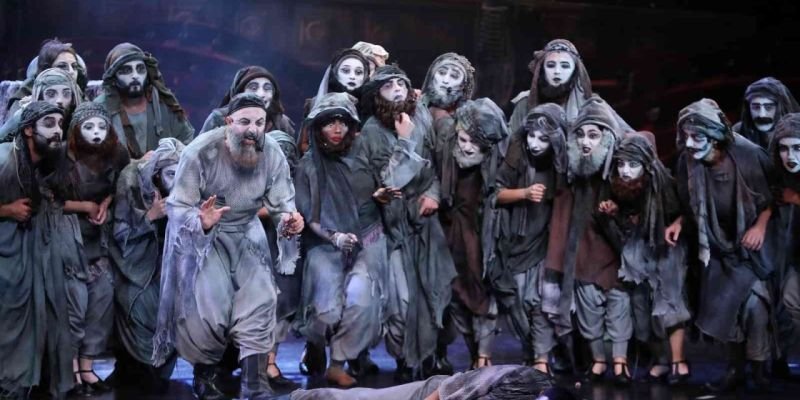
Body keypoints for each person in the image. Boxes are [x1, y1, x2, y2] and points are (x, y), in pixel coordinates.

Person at [153, 94, 303, 400]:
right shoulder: (200, 151)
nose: (252, 130)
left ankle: (255, 384)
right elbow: (178, 206)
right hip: (205, 238)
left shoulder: (271, 152)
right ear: (228, 122)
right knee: (209, 308)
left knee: (260, 300)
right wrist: (201, 220)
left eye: (259, 123)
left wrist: (289, 221)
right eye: (245, 122)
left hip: (247, 230)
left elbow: (283, 202)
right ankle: (205, 378)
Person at [353, 65, 457, 381]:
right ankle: (404, 357)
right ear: (377, 95)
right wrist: (404, 141)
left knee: (433, 289)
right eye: (389, 86)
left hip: (424, 220)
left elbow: (435, 165)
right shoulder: (372, 131)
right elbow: (389, 180)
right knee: (400, 300)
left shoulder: (421, 116)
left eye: (401, 83)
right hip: (391, 225)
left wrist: (434, 194)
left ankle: (426, 357)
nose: (397, 89)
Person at [667, 98, 775, 392]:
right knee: (727, 309)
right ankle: (735, 368)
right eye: (686, 136)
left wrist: (760, 225)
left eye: (697, 136)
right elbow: (690, 202)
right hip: (716, 246)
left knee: (755, 306)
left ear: (714, 136)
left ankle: (759, 367)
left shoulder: (749, 156)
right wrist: (681, 221)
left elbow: (774, 196)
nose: (690, 144)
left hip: (751, 247)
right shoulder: (689, 162)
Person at [294, 92, 387, 387]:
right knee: (326, 310)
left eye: (343, 122)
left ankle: (338, 362)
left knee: (361, 299)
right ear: (317, 126)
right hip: (325, 243)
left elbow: (385, 180)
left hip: (367, 237)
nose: (337, 129)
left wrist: (382, 194)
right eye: (329, 122)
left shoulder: (363, 154)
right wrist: (334, 238)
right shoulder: (309, 166)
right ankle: (316, 344)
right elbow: (309, 215)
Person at [0, 102, 80, 399]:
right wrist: (6, 210)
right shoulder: (5, 159)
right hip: (9, 257)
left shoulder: (47, 162)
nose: (57, 130)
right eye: (49, 124)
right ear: (28, 130)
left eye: (60, 124)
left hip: (36, 253)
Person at [597, 132, 691, 384]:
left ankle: (678, 362)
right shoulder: (621, 187)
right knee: (643, 311)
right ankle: (660, 360)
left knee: (669, 306)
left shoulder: (664, 184)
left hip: (666, 248)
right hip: (638, 251)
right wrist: (615, 212)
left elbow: (687, 208)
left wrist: (678, 223)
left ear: (646, 165)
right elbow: (629, 219)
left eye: (632, 164)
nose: (625, 170)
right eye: (621, 164)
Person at [493, 103, 570, 375]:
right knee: (515, 301)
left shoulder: (562, 166)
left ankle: (542, 356)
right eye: (531, 136)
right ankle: (531, 351)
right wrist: (523, 193)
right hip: (513, 242)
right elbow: (494, 193)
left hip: (545, 244)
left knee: (538, 301)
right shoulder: (517, 156)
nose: (535, 144)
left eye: (543, 138)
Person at [110, 137, 184, 393]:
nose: (176, 181)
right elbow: (120, 234)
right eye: (170, 174)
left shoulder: (189, 185)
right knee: (142, 305)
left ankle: (161, 371)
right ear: (157, 174)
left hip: (172, 264)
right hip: (136, 266)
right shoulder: (131, 180)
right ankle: (140, 371)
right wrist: (150, 216)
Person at [95, 42, 194, 158]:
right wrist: (136, 164)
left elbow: (187, 142)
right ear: (113, 77)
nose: (135, 76)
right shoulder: (99, 109)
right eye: (127, 70)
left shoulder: (165, 103)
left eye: (140, 69)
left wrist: (166, 158)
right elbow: (94, 157)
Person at [200, 65, 294, 136]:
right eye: (253, 88)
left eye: (267, 88)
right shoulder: (219, 119)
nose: (261, 94)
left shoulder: (282, 123)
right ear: (240, 93)